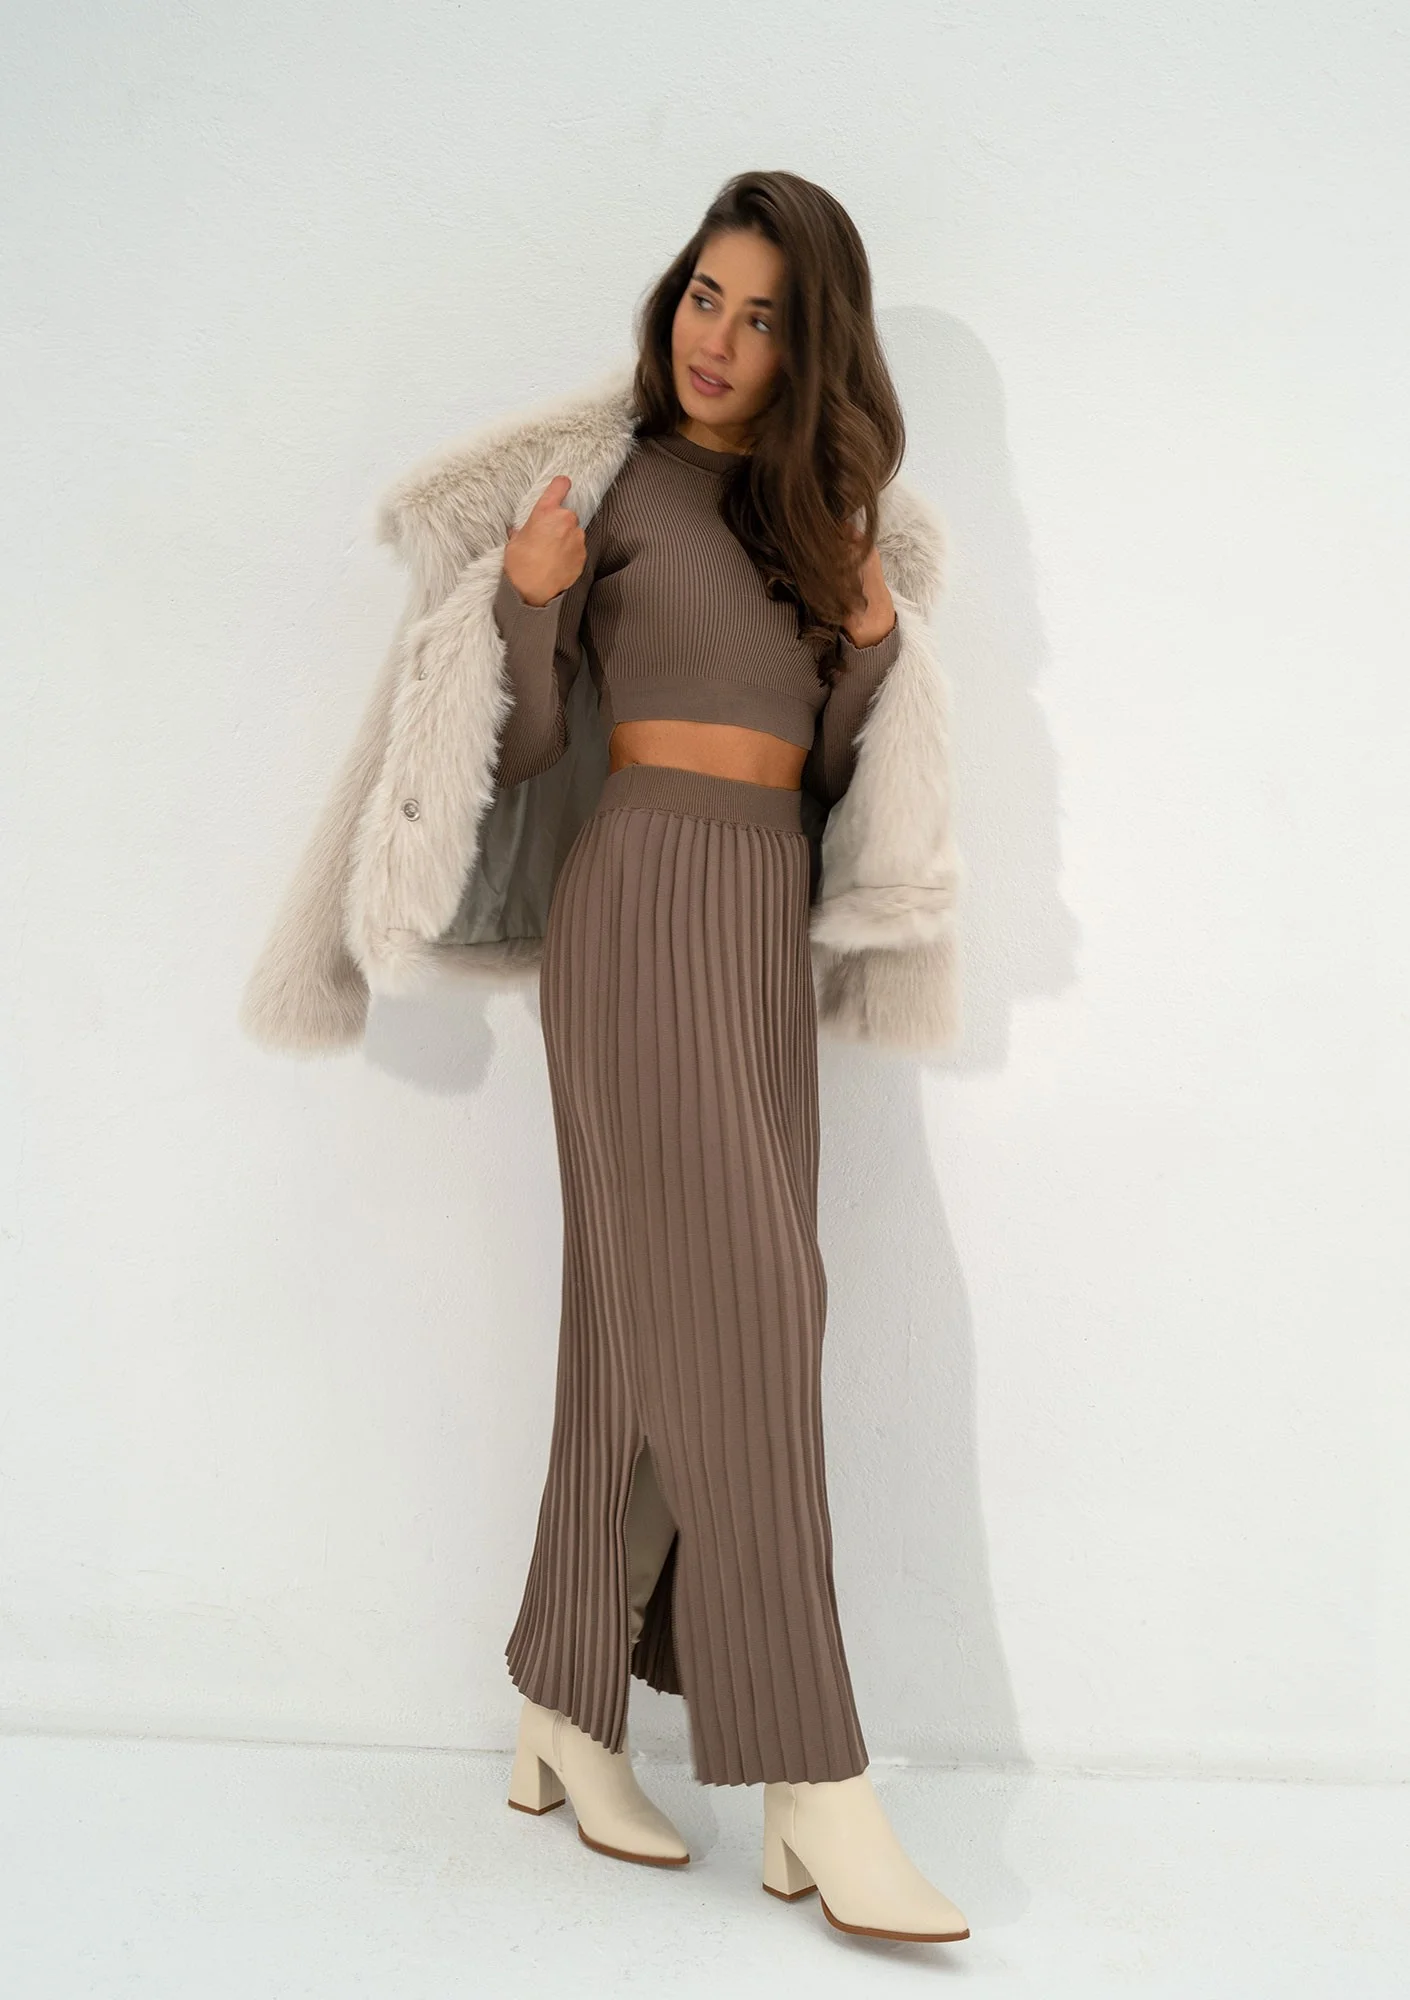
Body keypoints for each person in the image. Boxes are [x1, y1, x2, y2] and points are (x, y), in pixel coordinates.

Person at [491, 170, 970, 1946]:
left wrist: (867, 647)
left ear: (806, 344)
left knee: (649, 1326)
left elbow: (830, 776)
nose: (719, 337)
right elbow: (521, 748)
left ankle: (563, 1701)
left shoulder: (809, 522)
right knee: (757, 1311)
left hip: (757, 913)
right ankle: (810, 1780)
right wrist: (527, 603)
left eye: (764, 316)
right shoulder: (611, 484)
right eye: (706, 293)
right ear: (671, 297)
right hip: (635, 898)